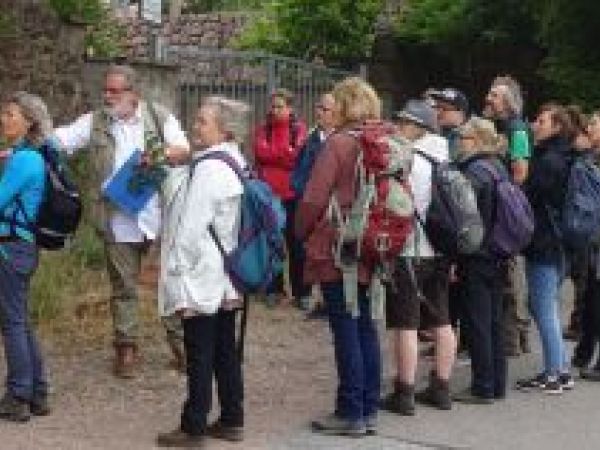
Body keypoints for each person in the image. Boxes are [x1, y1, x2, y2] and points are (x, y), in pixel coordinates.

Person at [54, 64, 189, 378]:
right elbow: (63, 140)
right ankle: (126, 349)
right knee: (123, 286)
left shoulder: (159, 117)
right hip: (117, 218)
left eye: (115, 91)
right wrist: (30, 144)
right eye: (106, 90)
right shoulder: (96, 121)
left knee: (169, 283)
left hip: (159, 218)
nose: (107, 96)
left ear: (134, 94)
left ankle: (182, 347)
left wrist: (158, 156)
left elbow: (184, 150)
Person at [156, 96, 249, 448]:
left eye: (202, 122)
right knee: (225, 349)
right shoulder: (232, 160)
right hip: (225, 274)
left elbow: (190, 228)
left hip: (201, 274)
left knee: (200, 352)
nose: (195, 127)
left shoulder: (210, 170)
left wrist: (175, 276)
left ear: (223, 129)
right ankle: (231, 417)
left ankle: (193, 426)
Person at [296, 77, 381, 437]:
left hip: (338, 245)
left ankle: (350, 411)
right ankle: (369, 405)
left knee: (345, 327)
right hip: (373, 244)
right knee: (366, 326)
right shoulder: (380, 141)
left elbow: (315, 198)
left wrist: (299, 233)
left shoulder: (339, 144)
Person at [380, 99, 455, 415]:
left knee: (406, 324)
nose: (397, 126)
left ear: (417, 127)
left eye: (402, 122)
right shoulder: (445, 159)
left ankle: (405, 391)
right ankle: (441, 387)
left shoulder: (409, 161)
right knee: (442, 320)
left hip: (410, 250)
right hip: (439, 249)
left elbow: (398, 207)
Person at [0, 92, 51, 422]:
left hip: (11, 248)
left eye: (10, 114)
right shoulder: (26, 156)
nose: (3, 119)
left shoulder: (25, 160)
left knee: (13, 322)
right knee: (20, 319)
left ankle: (18, 395)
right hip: (21, 246)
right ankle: (37, 392)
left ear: (28, 122)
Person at [517, 102, 575, 394]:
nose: (534, 125)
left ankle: (554, 374)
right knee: (543, 305)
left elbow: (529, 196)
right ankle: (561, 369)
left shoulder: (550, 160)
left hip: (545, 242)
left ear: (557, 127)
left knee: (543, 306)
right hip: (558, 241)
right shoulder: (561, 157)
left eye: (541, 121)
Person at [452, 117, 508, 404]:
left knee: (478, 321)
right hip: (499, 252)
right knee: (495, 320)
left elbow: (465, 218)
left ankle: (483, 386)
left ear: (477, 141)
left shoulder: (474, 172)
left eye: (463, 137)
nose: (459, 142)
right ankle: (498, 382)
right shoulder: (498, 167)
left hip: (477, 255)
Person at [483, 75, 532, 357]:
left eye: (495, 95)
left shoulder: (517, 130)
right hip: (500, 212)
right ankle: (515, 336)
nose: (489, 98)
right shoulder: (498, 126)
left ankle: (512, 339)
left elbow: (520, 171)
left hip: (506, 215)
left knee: (509, 278)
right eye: (490, 93)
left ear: (509, 102)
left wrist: (506, 201)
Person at [253, 88, 307, 307]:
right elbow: (260, 153)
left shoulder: (298, 129)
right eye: (273, 106)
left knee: (296, 244)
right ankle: (275, 289)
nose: (275, 110)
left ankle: (301, 292)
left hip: (292, 194)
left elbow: (295, 158)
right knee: (272, 243)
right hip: (269, 195)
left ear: (290, 108)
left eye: (280, 106)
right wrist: (283, 154)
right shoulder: (263, 129)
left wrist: (276, 155)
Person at [290, 92, 337, 316]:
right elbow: (299, 171)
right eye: (319, 107)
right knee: (307, 251)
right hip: (311, 203)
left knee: (329, 255)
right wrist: (302, 193)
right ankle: (308, 295)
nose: (320, 112)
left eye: (325, 109)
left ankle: (327, 299)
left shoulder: (340, 140)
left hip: (332, 207)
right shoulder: (311, 137)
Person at [574, 110, 600, 377]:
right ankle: (584, 351)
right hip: (594, 242)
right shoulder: (590, 157)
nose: (588, 127)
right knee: (592, 296)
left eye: (594, 123)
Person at [429, 87, 470, 158]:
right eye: (437, 107)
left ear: (460, 113)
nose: (438, 112)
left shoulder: (468, 139)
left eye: (445, 108)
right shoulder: (430, 132)